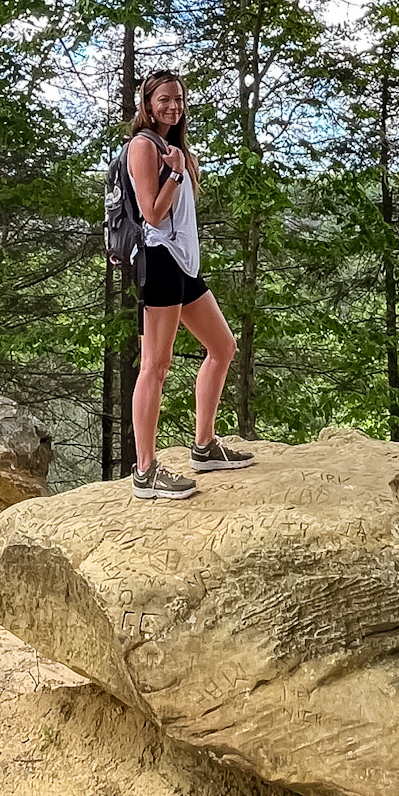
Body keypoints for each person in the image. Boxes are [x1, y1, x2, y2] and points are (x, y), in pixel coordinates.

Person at [124, 68, 255, 499]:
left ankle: (204, 446)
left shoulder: (175, 149)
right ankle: (145, 472)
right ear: (147, 104)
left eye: (178, 98)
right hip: (159, 263)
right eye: (164, 99)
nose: (173, 106)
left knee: (222, 347)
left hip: (184, 268)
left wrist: (181, 166)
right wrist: (177, 175)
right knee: (154, 367)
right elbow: (153, 215)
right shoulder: (144, 147)